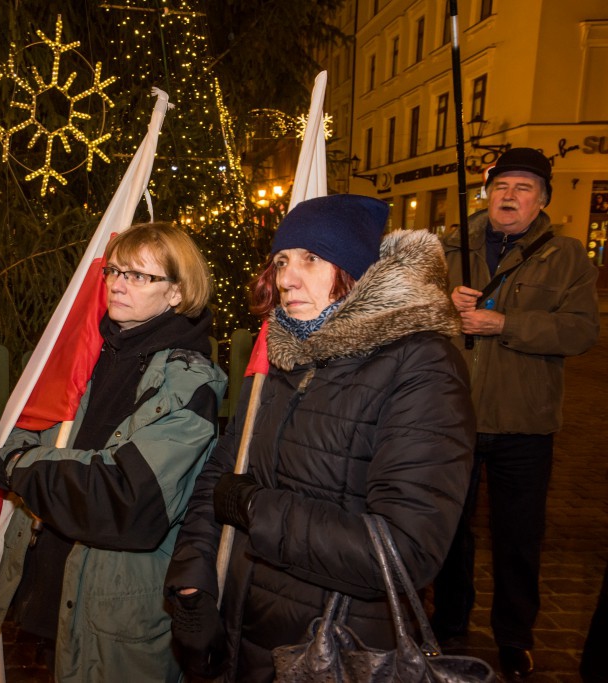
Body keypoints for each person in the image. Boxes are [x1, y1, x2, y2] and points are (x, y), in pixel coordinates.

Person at [164, 194, 475, 682]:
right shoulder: (283, 352)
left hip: (336, 644)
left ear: (355, 270)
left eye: (311, 259)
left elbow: (406, 551)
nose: (288, 278)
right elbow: (222, 475)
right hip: (243, 630)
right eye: (282, 260)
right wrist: (192, 586)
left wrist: (255, 509)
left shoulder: (421, 365)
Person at [0, 222, 228, 682]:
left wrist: (22, 467)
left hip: (117, 609)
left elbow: (125, 498)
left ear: (176, 292)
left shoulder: (189, 382)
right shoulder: (90, 354)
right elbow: (31, 431)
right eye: (114, 270)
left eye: (139, 275)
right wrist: (39, 461)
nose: (117, 283)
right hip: (54, 585)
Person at [431, 147, 600, 679]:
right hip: (451, 416)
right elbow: (406, 314)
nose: (510, 196)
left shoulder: (567, 255)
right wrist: (443, 307)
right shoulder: (446, 246)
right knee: (450, 529)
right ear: (487, 193)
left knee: (518, 535)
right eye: (502, 185)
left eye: (524, 188)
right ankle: (449, 618)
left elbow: (580, 331)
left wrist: (505, 324)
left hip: (524, 421)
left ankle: (514, 634)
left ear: (543, 200)